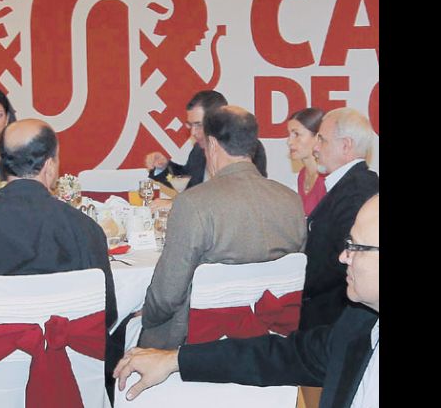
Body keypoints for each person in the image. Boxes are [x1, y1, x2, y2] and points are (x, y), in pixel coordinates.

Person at [114, 194, 379, 408]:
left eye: (357, 247)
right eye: (348, 244)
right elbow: (278, 355)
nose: (344, 257)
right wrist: (175, 359)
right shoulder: (360, 323)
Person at [0, 119, 117, 403]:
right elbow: (105, 316)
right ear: (50, 165)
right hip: (70, 379)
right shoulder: (85, 229)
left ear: (3, 164)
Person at [138, 106, 306, 349]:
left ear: (213, 145)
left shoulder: (193, 204)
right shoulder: (291, 200)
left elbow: (166, 298)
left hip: (197, 344)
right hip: (273, 342)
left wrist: (145, 315)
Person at [300, 107, 379, 330]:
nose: (315, 147)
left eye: (322, 140)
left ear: (345, 145)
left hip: (333, 323)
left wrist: (299, 284)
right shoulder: (353, 185)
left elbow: (343, 260)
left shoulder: (356, 191)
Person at [287, 107, 327, 216]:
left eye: (296, 134)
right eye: (289, 135)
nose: (289, 142)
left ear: (318, 137)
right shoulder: (302, 175)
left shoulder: (329, 179)